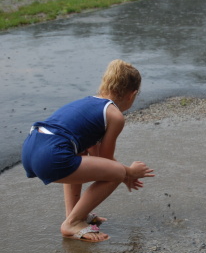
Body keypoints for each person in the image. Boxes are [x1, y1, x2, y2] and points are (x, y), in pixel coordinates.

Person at [22, 59, 154, 242]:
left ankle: (75, 215)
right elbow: (106, 160)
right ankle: (72, 223)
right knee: (115, 172)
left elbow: (94, 153)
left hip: (32, 147)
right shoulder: (115, 115)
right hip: (51, 156)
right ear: (132, 95)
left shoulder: (88, 102)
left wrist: (126, 175)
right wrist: (129, 172)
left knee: (80, 153)